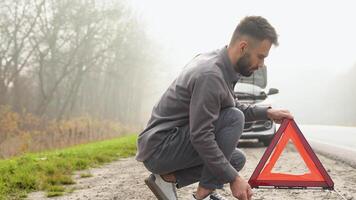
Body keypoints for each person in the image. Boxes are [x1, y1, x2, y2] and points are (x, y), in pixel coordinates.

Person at [136, 16, 294, 200]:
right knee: (234, 120)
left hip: (168, 145)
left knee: (235, 159)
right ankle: (203, 194)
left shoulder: (220, 66)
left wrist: (266, 113)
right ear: (243, 47)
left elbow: (229, 107)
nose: (261, 65)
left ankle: (167, 179)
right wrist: (234, 179)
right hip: (161, 148)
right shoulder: (211, 75)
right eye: (261, 57)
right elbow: (202, 135)